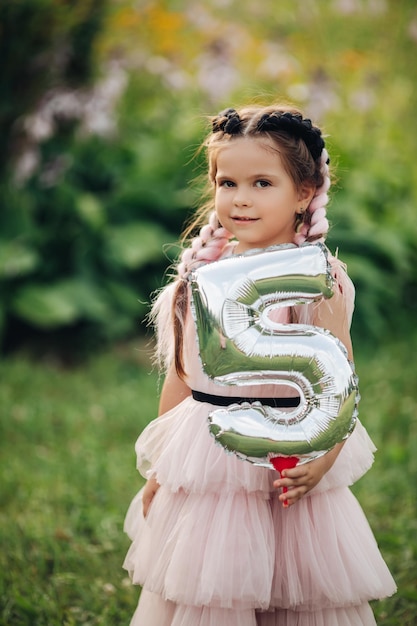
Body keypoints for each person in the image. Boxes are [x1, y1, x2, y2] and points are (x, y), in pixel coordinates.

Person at [123, 104, 396, 625]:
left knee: (296, 593)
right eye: (228, 182)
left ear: (304, 193)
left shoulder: (315, 280)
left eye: (262, 183)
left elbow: (338, 380)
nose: (241, 198)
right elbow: (183, 379)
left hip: (286, 458)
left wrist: (326, 456)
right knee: (211, 591)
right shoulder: (200, 274)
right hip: (211, 462)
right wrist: (162, 467)